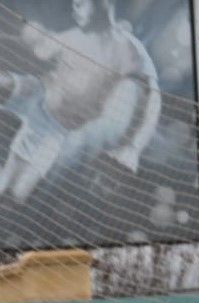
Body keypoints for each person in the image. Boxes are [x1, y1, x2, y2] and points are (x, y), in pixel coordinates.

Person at [0, 0, 162, 203]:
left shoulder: (129, 50)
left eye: (80, 4)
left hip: (53, 128)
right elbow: (35, 48)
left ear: (101, 5)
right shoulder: (73, 34)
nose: (74, 10)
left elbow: (152, 101)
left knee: (12, 194)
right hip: (37, 94)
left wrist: (134, 148)